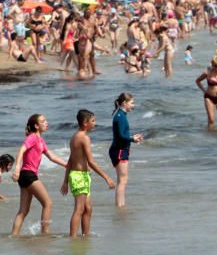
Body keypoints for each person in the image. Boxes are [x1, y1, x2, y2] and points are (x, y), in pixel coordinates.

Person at [61, 109, 115, 237]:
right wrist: (106, 177)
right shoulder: (83, 138)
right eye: (93, 121)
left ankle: (85, 235)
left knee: (88, 208)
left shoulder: (75, 136)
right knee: (79, 209)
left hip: (83, 177)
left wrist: (65, 181)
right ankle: (73, 238)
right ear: (85, 123)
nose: (95, 123)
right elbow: (91, 161)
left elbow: (70, 160)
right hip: (79, 177)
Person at [11, 114, 67, 235]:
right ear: (36, 126)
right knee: (48, 203)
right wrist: (16, 168)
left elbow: (52, 157)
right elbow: (21, 151)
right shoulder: (32, 138)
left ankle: (13, 235)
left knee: (23, 211)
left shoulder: (40, 140)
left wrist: (67, 165)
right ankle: (45, 232)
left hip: (25, 176)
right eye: (43, 121)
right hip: (28, 174)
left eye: (45, 120)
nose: (46, 123)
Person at [109, 93, 142, 208]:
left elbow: (122, 135)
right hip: (119, 150)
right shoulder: (120, 116)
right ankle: (120, 206)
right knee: (123, 180)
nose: (133, 105)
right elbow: (122, 136)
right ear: (124, 103)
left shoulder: (120, 115)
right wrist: (132, 139)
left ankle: (120, 204)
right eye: (132, 103)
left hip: (119, 149)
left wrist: (132, 138)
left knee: (121, 180)